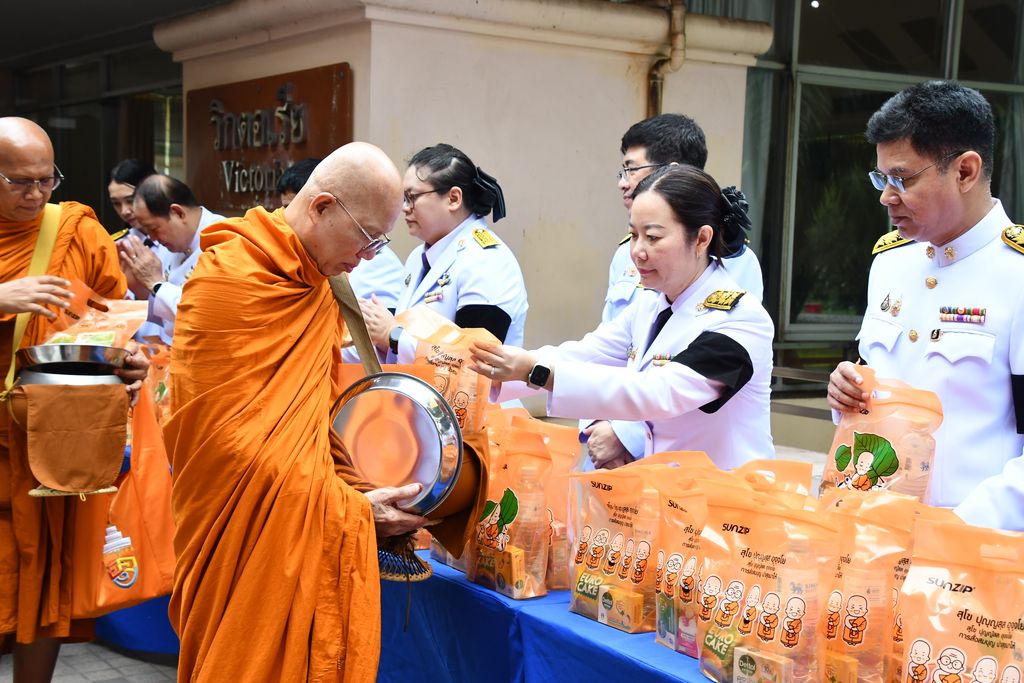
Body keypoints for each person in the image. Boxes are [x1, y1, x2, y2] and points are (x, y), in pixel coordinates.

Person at [166, 142, 429, 682]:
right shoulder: (229, 279)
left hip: (295, 516)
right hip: (239, 534)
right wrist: (352, 512)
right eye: (367, 237)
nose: (369, 257)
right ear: (322, 206)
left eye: (381, 243)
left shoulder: (320, 284)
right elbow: (231, 448)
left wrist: (359, 483)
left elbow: (311, 415)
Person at [470, 164, 774, 468]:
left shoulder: (740, 320)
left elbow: (657, 392)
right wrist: (491, 371)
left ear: (701, 239)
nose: (637, 251)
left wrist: (536, 372)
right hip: (664, 490)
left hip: (725, 493)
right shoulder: (650, 305)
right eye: (633, 235)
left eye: (652, 237)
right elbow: (587, 354)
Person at [827, 80, 1024, 531]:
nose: (886, 196)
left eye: (902, 179)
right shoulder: (890, 263)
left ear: (965, 171)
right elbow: (876, 392)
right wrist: (845, 394)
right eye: (881, 178)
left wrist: (957, 529)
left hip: (973, 541)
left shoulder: (1017, 275)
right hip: (872, 528)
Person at [0, 117, 148, 682]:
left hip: (54, 440)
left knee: (46, 582)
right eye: (20, 182)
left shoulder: (76, 231)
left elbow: (110, 319)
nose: (36, 194)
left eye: (47, 179)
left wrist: (128, 361)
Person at [586, 113, 765, 469]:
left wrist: (624, 434)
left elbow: (701, 376)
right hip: (616, 443)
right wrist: (596, 424)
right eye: (636, 236)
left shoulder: (730, 263)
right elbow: (608, 350)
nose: (623, 182)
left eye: (632, 169)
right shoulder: (627, 253)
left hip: (685, 451)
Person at [359, 144, 528, 362]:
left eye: (412, 197)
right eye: (404, 198)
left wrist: (394, 336)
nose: (404, 208)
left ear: (454, 199)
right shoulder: (417, 257)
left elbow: (477, 359)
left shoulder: (487, 260)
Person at [279, 157, 405, 310]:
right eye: (366, 234)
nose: (370, 255)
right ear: (321, 208)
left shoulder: (347, 272)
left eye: (375, 239)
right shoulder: (257, 250)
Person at [119, 175, 225, 345]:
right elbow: (168, 319)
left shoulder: (224, 240)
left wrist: (156, 283)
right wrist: (139, 288)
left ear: (178, 213)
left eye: (154, 228)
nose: (153, 238)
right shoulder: (173, 243)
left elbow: (203, 316)